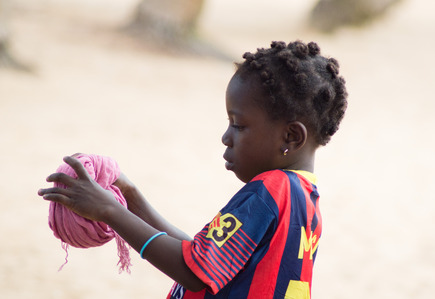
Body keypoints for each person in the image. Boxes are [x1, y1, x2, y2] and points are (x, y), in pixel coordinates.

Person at [38, 40, 348, 299]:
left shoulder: (271, 190)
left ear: (291, 136)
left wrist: (109, 211)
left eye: (239, 125)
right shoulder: (305, 200)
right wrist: (130, 196)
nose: (226, 137)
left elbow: (192, 271)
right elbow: (202, 257)